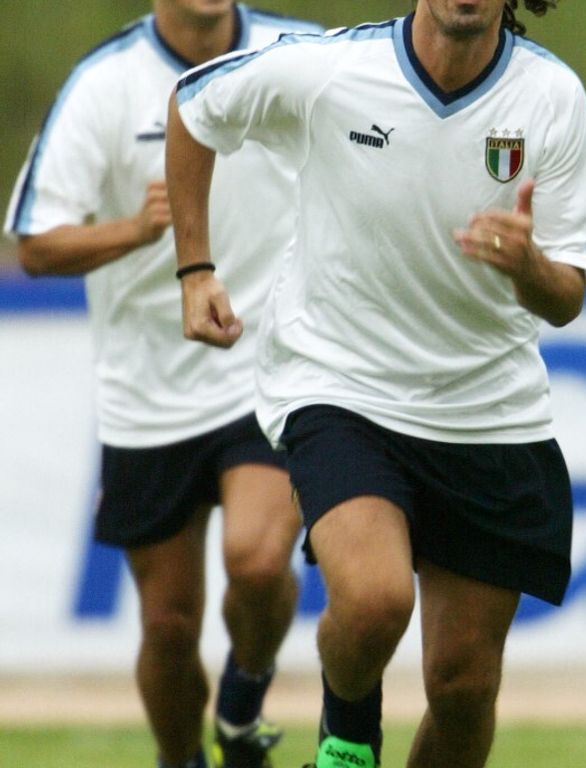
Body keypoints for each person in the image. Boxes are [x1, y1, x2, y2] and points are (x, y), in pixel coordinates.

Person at [165, 0, 586, 766]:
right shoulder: (333, 70)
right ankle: (347, 732)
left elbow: (566, 296)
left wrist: (527, 265)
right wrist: (195, 268)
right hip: (341, 384)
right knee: (372, 604)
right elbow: (195, 105)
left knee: (464, 691)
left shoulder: (552, 97)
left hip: (487, 413)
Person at [4, 3, 323, 767]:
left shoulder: (305, 54)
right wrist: (136, 230)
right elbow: (36, 244)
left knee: (255, 559)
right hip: (147, 390)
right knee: (169, 628)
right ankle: (180, 759)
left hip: (271, 364)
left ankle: (243, 704)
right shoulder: (103, 84)